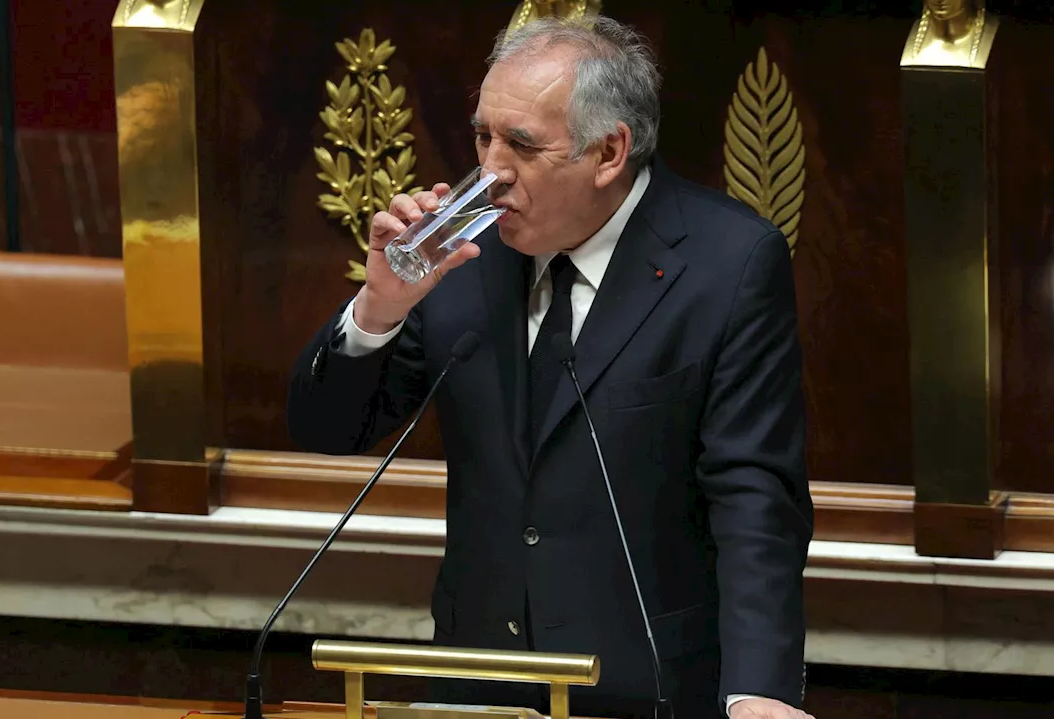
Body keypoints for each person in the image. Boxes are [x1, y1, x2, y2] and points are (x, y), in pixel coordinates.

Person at [288, 15, 814, 719]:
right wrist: (378, 308)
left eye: (522, 146)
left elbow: (755, 495)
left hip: (644, 687)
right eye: (484, 137)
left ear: (608, 152)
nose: (491, 173)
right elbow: (327, 429)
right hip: (476, 681)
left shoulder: (729, 264)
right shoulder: (461, 261)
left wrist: (759, 691)